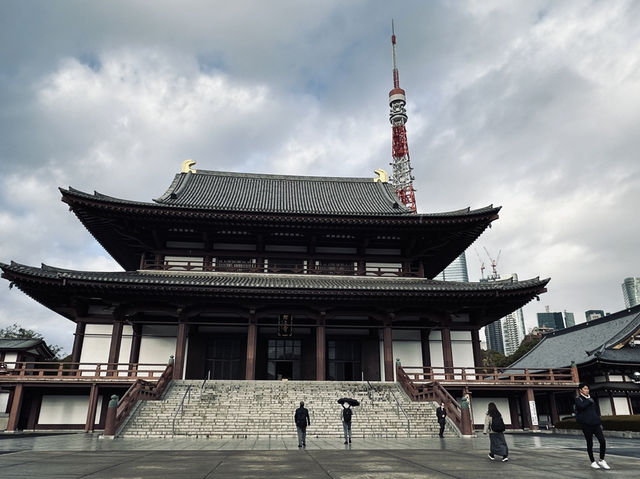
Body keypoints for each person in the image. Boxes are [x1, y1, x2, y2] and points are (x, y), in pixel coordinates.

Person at [575, 383, 610, 470]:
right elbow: (581, 407)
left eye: (587, 389)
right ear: (580, 390)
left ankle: (601, 460)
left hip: (596, 424)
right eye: (585, 389)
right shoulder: (578, 399)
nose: (587, 390)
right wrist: (588, 400)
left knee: (602, 441)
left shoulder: (591, 399)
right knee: (589, 443)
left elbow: (595, 412)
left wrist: (599, 422)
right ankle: (593, 462)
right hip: (586, 425)